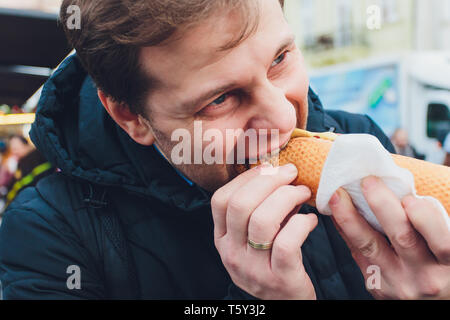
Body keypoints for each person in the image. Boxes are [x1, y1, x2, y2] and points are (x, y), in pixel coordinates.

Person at [0, 0, 448, 300]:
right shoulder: (49, 239)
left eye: (279, 59)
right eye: (220, 99)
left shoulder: (363, 142)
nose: (285, 121)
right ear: (130, 118)